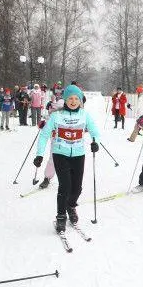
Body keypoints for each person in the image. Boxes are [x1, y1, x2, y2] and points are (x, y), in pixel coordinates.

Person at [32, 84, 101, 232]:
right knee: (65, 186)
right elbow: (44, 134)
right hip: (60, 154)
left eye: (77, 98)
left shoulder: (84, 115)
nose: (73, 101)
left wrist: (95, 142)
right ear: (65, 100)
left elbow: (95, 131)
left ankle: (71, 206)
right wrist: (39, 154)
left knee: (77, 188)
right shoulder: (56, 116)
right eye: (70, 98)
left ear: (81, 100)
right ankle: (61, 216)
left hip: (78, 155)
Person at [37, 95, 66, 189]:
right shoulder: (54, 112)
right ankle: (47, 178)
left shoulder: (69, 113)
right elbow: (47, 120)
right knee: (52, 158)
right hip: (55, 138)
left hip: (67, 140)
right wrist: (42, 124)